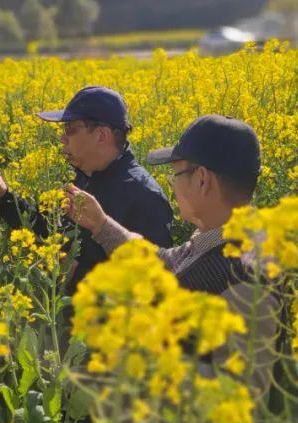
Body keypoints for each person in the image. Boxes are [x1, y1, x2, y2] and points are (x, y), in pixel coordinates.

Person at [63, 114, 282, 395]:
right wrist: (101, 224)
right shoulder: (237, 238)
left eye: (176, 175)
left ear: (202, 180)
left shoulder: (235, 270)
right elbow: (166, 263)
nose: (171, 185)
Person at [0, 86, 172, 292]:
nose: (62, 138)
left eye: (70, 129)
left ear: (101, 135)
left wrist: (77, 276)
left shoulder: (145, 196)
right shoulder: (83, 176)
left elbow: (153, 286)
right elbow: (45, 228)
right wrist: (4, 196)